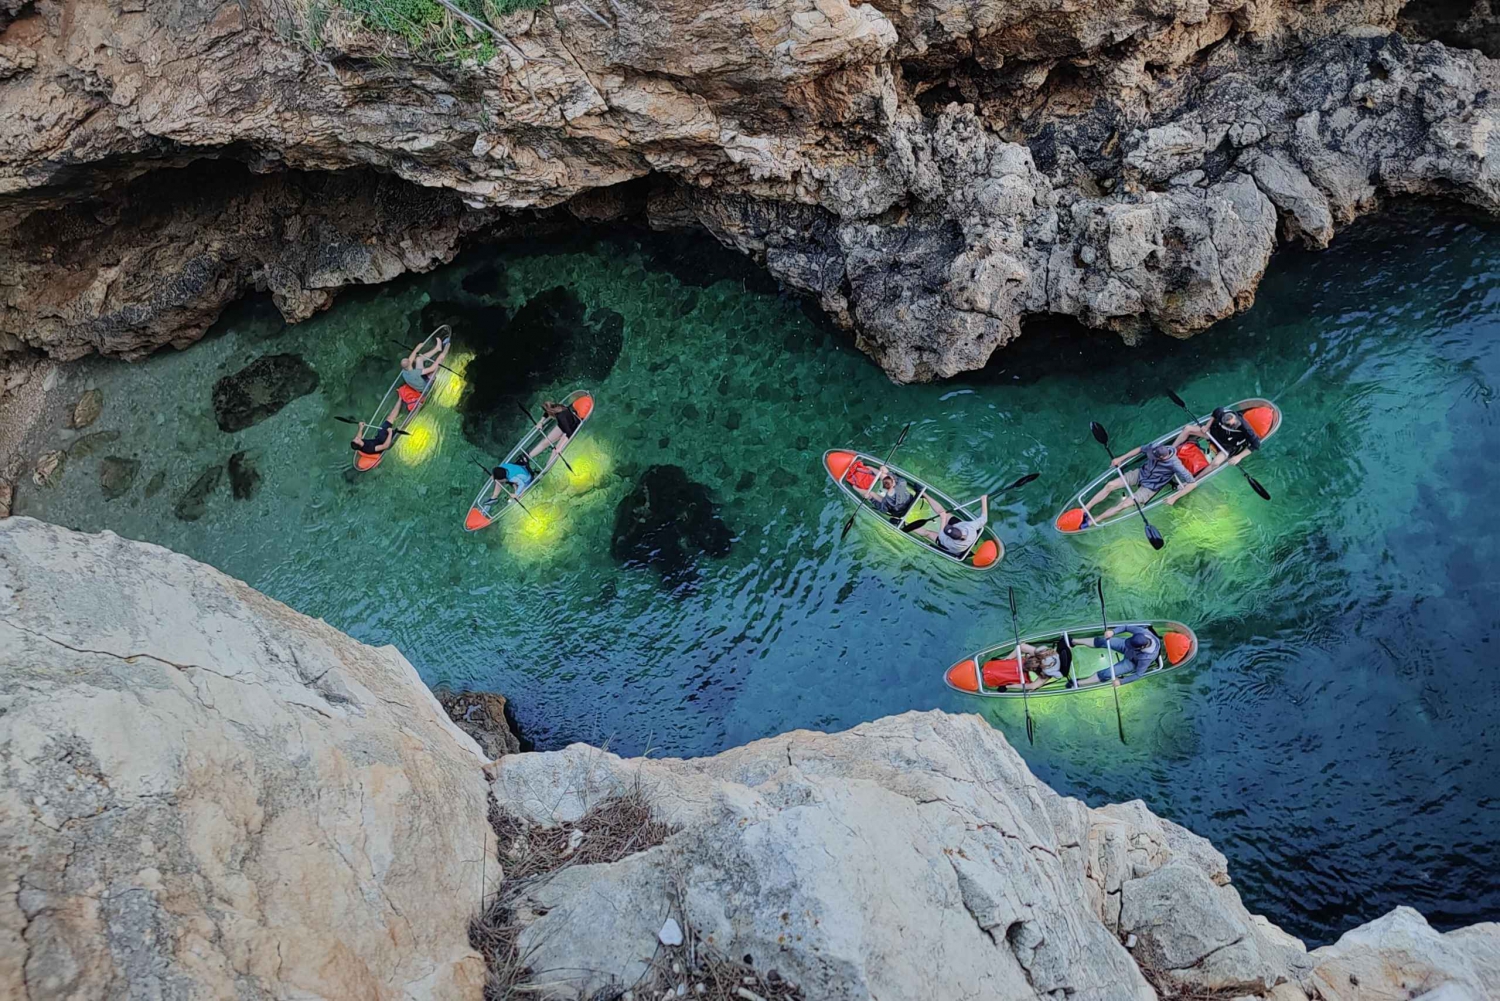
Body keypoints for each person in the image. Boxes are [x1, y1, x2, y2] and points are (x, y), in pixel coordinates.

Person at [1081, 442, 1194, 524]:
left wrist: (1174, 498)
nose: (1150, 457)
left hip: (1151, 487)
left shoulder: (1175, 464)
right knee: (1110, 485)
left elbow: (1192, 483)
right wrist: (1121, 458)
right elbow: (1140, 449)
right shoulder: (1154, 447)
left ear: (1162, 458)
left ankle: (1095, 520)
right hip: (1141, 473)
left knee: (1124, 505)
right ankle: (1085, 509)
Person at [1076, 624, 1162, 687]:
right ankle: (1074, 641)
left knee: (1107, 673)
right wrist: (1113, 632)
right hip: (1127, 648)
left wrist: (1121, 682)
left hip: (1132, 662)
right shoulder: (1142, 632)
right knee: (1103, 641)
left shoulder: (1145, 659)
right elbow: (1126, 627)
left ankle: (1078, 683)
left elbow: (1138, 674)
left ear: (1142, 647)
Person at [914, 494, 989, 557]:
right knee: (944, 513)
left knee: (928, 533)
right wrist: (984, 499)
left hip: (954, 549)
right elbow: (984, 518)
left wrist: (943, 517)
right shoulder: (970, 527)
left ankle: (904, 524)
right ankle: (924, 495)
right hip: (966, 537)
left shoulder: (945, 540)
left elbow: (942, 532)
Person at [982, 639, 1071, 691]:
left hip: (1055, 668)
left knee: (1028, 682)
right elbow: (1021, 647)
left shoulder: (1047, 674)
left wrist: (1007, 686)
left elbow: (1032, 686)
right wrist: (1005, 660)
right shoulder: (1041, 654)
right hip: (1040, 659)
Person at [396, 334, 451, 412]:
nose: (410, 359)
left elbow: (411, 359)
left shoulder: (404, 372)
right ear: (408, 363)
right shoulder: (415, 373)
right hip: (426, 387)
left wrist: (417, 348)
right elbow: (432, 368)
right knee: (439, 359)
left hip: (418, 382)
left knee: (419, 359)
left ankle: (437, 348)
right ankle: (447, 345)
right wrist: (438, 361)